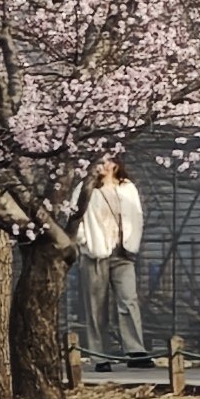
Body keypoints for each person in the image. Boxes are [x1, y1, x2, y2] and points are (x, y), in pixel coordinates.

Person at [74, 155, 147, 370]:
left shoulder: (127, 188)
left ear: (116, 164)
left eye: (106, 161)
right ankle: (100, 356)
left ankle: (136, 350)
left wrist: (134, 241)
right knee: (97, 306)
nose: (102, 166)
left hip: (123, 251)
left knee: (129, 299)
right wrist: (84, 242)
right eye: (98, 161)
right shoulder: (85, 187)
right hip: (96, 252)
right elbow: (75, 216)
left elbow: (137, 215)